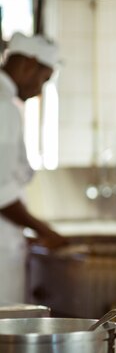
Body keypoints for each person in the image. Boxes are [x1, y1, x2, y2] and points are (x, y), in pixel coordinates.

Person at [0, 32, 68, 304]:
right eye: (44, 79)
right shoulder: (4, 108)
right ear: (28, 64)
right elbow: (1, 192)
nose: (40, 89)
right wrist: (44, 230)